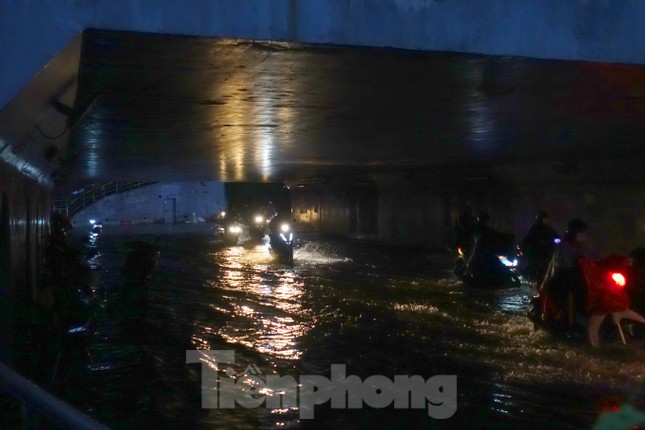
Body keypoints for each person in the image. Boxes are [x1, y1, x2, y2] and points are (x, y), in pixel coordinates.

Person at [522, 211, 560, 286]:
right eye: (546, 218)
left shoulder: (539, 228)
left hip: (540, 254)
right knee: (542, 271)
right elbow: (557, 238)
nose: (548, 220)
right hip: (542, 254)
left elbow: (526, 241)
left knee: (539, 272)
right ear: (543, 219)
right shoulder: (543, 229)